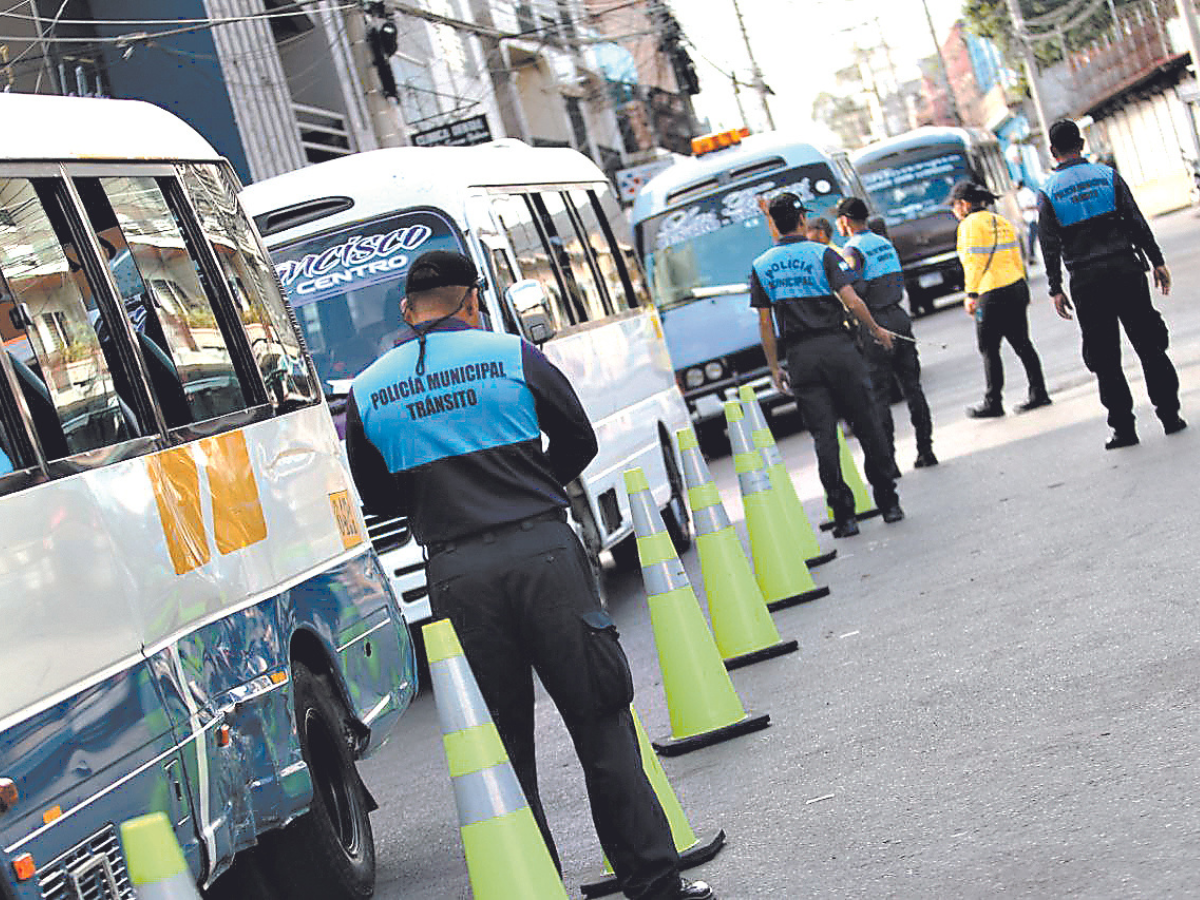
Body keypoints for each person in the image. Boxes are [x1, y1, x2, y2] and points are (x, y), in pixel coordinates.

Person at [344, 250, 711, 900]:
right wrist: (528, 485)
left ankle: (535, 886)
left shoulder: (369, 389)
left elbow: (374, 494)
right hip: (544, 554)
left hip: (454, 574)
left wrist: (439, 507)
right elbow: (578, 439)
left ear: (407, 311)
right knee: (601, 720)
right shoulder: (512, 355)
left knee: (502, 746)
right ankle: (653, 884)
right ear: (473, 301)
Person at [752, 192, 904, 537]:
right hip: (840, 351)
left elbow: (764, 324)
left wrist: (775, 367)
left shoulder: (761, 265)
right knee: (867, 425)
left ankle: (845, 517)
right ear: (802, 221)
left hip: (802, 358)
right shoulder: (822, 254)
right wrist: (877, 330)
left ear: (774, 222)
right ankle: (889, 503)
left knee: (824, 438)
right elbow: (851, 300)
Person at [1038, 119, 1185, 450]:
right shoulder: (1108, 176)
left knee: (1104, 357)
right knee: (1150, 345)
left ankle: (1123, 429)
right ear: (1082, 142)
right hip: (1126, 270)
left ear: (1052, 151)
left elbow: (1049, 245)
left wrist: (1055, 288)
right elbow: (1135, 220)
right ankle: (1170, 416)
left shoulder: (1048, 191)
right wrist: (1156, 260)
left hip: (1087, 282)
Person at [835, 197, 937, 470]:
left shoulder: (852, 250)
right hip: (899, 315)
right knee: (912, 387)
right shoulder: (884, 243)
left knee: (878, 395)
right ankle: (926, 449)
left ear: (845, 220)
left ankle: (889, 461)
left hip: (876, 323)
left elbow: (857, 293)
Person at [950, 179, 1051, 419]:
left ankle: (993, 401)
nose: (954, 210)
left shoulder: (968, 226)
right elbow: (1018, 258)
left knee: (988, 348)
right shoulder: (1001, 221)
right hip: (1016, 286)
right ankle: (1039, 392)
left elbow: (972, 263)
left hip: (991, 292)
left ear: (963, 205)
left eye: (954, 205)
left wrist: (971, 294)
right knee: (1023, 343)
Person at [1016, 180, 1040, 265]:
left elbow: (1034, 204)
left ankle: (1031, 255)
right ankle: (1031, 255)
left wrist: (1025, 208)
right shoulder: (1021, 193)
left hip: (1031, 218)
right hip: (1029, 218)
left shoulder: (1025, 193)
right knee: (1031, 238)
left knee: (1032, 238)